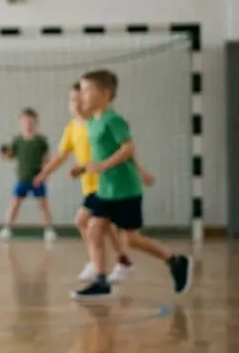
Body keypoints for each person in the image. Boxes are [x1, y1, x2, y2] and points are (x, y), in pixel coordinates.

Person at [71, 69, 192, 299]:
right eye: (82, 89)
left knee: (131, 239)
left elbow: (128, 148)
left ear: (106, 93)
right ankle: (100, 281)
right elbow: (100, 154)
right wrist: (83, 167)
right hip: (105, 190)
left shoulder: (113, 120)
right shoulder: (93, 122)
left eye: (87, 89)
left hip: (125, 189)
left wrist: (104, 166)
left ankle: (175, 260)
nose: (82, 94)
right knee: (94, 228)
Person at [34, 82, 156, 284]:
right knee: (101, 227)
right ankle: (120, 261)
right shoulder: (72, 128)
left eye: (79, 99)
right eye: (72, 100)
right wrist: (44, 174)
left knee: (84, 221)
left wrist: (140, 171)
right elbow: (60, 156)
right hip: (89, 185)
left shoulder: (100, 123)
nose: (76, 104)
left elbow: (124, 150)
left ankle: (100, 266)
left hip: (106, 185)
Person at [0, 108, 56, 243]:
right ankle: (7, 228)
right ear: (20, 123)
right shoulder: (17, 140)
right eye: (25, 122)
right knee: (15, 204)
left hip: (37, 179)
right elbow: (11, 155)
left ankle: (49, 230)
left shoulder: (41, 141)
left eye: (31, 122)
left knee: (43, 205)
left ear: (36, 123)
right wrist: (5, 153)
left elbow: (47, 159)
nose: (28, 124)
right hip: (22, 178)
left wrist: (46, 174)